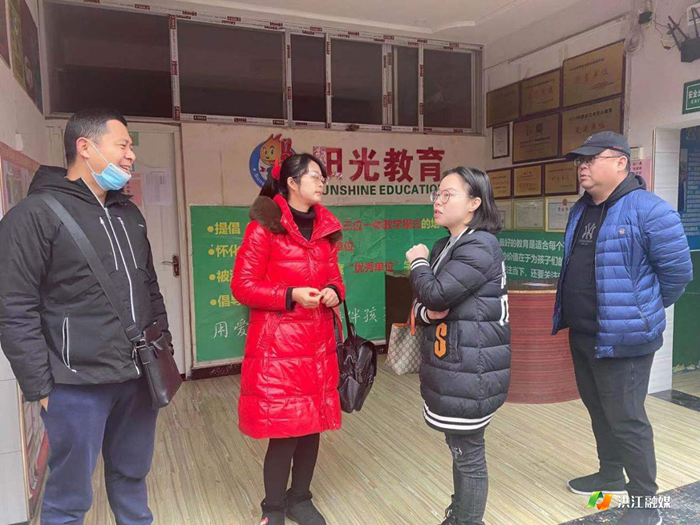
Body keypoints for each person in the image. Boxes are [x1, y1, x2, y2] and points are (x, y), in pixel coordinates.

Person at [0, 108, 171, 524]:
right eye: (123, 145)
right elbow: (14, 307)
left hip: (137, 376)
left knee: (132, 477)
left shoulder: (128, 214)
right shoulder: (34, 215)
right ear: (85, 147)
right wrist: (41, 387)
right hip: (75, 385)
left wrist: (163, 346)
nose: (131, 155)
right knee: (69, 496)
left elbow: (149, 286)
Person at [552, 131, 692, 525]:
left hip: (625, 339)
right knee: (599, 410)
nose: (582, 166)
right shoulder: (582, 210)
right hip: (584, 334)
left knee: (627, 418)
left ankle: (646, 502)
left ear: (620, 163)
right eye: (580, 160)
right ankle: (610, 474)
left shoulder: (651, 211)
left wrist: (640, 311)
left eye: (591, 159)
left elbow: (677, 275)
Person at [231, 153, 344, 525]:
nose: (321, 182)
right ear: (292, 183)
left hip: (317, 343)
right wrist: (289, 294)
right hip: (279, 348)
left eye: (323, 177)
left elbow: (335, 278)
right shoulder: (264, 228)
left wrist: (333, 292)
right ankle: (273, 508)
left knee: (312, 427)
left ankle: (300, 500)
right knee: (284, 431)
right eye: (314, 176)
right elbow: (242, 286)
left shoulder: (325, 230)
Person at [405, 167, 510, 525]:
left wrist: (418, 263)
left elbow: (435, 293)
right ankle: (460, 516)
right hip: (456, 365)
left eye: (447, 194)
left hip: (472, 369)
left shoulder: (480, 245)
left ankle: (468, 520)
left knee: (469, 455)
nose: (437, 200)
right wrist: (426, 311)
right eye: (436, 193)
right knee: (461, 450)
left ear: (474, 203)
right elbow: (426, 304)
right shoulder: (447, 244)